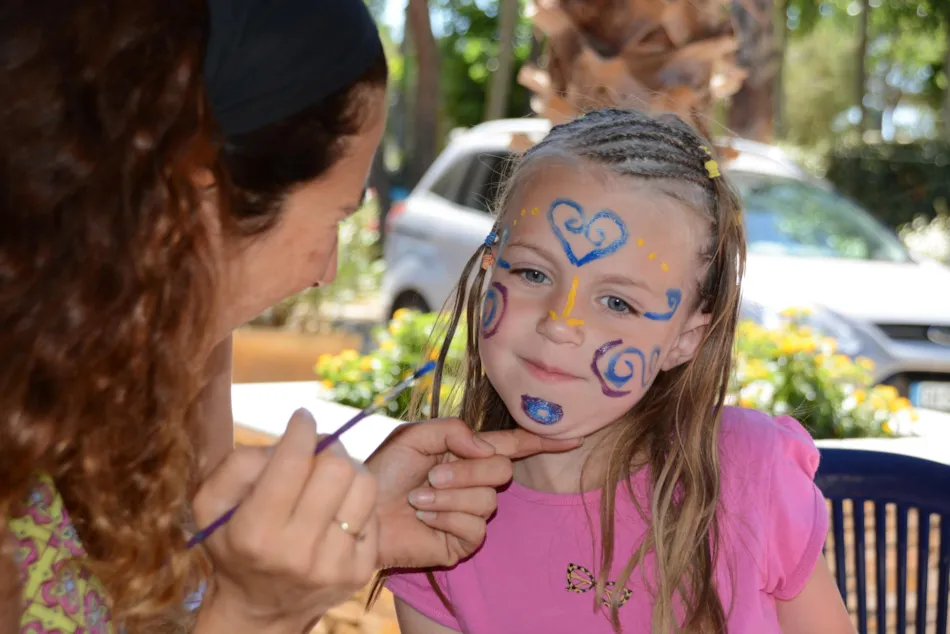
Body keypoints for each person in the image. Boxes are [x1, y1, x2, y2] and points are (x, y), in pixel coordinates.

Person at [0, 1, 579, 633]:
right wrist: (259, 614)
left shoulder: (172, 359)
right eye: (336, 215)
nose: (327, 269)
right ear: (201, 182)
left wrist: (353, 525)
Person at [382, 108, 856, 634]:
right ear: (490, 264)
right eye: (534, 272)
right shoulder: (438, 514)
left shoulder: (750, 474)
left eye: (617, 302)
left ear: (685, 338)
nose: (561, 325)